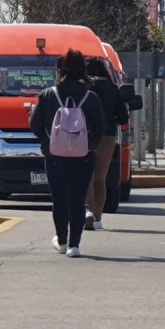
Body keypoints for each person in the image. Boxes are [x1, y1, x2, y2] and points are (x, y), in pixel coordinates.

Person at [30, 50, 105, 258]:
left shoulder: (47, 95)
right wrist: (89, 146)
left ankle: (61, 241)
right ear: (83, 69)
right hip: (84, 156)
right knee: (78, 199)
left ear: (61, 69)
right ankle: (75, 245)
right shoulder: (91, 98)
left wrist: (47, 143)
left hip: (54, 156)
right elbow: (100, 128)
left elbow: (34, 124)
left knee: (59, 199)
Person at [83, 58, 129, 231]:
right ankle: (98, 218)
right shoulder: (112, 89)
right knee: (100, 179)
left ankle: (86, 210)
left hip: (84, 135)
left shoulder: (84, 88)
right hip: (107, 136)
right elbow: (123, 118)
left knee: (85, 175)